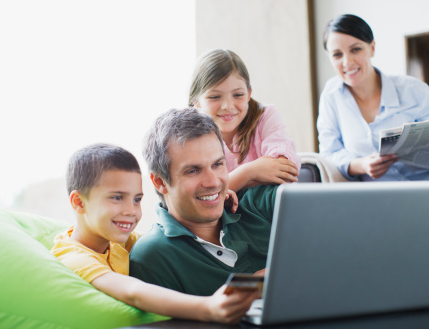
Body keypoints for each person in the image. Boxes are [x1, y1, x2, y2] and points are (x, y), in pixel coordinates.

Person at [51, 143, 259, 324]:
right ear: (79, 202)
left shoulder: (113, 241)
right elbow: (133, 292)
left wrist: (216, 197)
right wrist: (208, 308)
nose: (131, 211)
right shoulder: (74, 256)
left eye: (137, 199)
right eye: (117, 198)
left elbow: (172, 242)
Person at [317, 14, 429, 216]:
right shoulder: (331, 96)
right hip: (384, 205)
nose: (347, 62)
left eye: (356, 49)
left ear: (372, 48)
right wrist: (360, 165)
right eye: (337, 55)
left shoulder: (412, 89)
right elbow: (329, 152)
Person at [129, 108, 278, 296]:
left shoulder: (260, 204)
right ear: (160, 182)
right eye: (193, 170)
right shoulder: (152, 257)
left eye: (218, 164)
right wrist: (253, 287)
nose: (214, 182)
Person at [188, 48, 301, 192]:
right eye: (215, 97)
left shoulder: (265, 116)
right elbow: (205, 193)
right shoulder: (190, 135)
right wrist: (250, 172)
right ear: (196, 102)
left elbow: (286, 172)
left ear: (249, 94)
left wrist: (229, 184)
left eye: (238, 95)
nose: (228, 106)